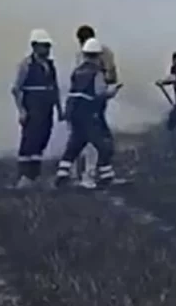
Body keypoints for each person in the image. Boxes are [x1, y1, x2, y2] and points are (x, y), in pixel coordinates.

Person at [54, 38, 121, 188]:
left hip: (73, 110)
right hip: (88, 112)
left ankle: (62, 173)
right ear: (98, 56)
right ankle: (106, 176)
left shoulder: (77, 71)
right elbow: (99, 92)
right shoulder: (96, 73)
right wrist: (113, 91)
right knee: (103, 143)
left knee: (76, 143)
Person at [11, 29, 61, 189]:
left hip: (47, 109)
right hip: (32, 107)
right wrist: (22, 111)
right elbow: (16, 89)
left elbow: (55, 88)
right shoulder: (26, 65)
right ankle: (24, 176)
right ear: (34, 46)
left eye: (48, 46)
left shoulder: (50, 65)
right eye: (43, 46)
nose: (46, 50)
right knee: (29, 141)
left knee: (42, 139)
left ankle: (35, 175)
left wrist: (59, 109)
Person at [73, 25, 119, 188]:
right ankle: (89, 173)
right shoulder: (89, 54)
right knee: (92, 137)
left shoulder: (102, 53)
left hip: (93, 101)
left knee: (92, 138)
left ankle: (91, 173)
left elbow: (111, 75)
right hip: (90, 102)